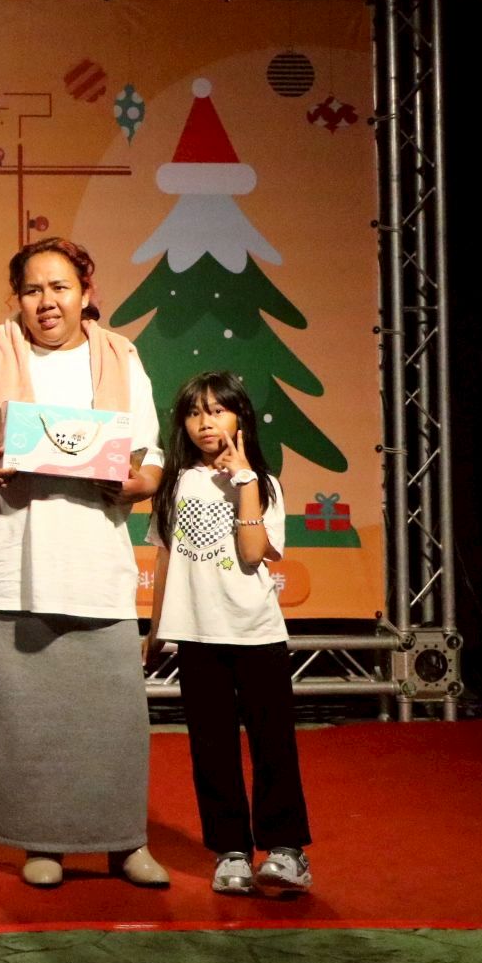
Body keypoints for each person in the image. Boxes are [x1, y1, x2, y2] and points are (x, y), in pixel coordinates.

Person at [0, 237, 169, 889]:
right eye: (33, 289)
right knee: (23, 716)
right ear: (16, 298)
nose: (47, 301)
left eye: (60, 287)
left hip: (92, 557)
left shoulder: (120, 357)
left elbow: (150, 454)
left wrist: (138, 483)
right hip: (10, 553)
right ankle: (39, 841)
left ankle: (124, 841)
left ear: (85, 292)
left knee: (112, 716)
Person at [146, 370, 312, 896]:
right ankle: (231, 851)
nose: (205, 422)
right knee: (211, 748)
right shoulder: (176, 483)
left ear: (240, 417)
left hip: (255, 632)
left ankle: (286, 851)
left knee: (272, 744)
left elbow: (252, 553)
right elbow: (165, 557)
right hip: (197, 635)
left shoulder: (263, 483)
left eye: (218, 410)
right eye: (194, 413)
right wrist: (155, 631)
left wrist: (244, 482)